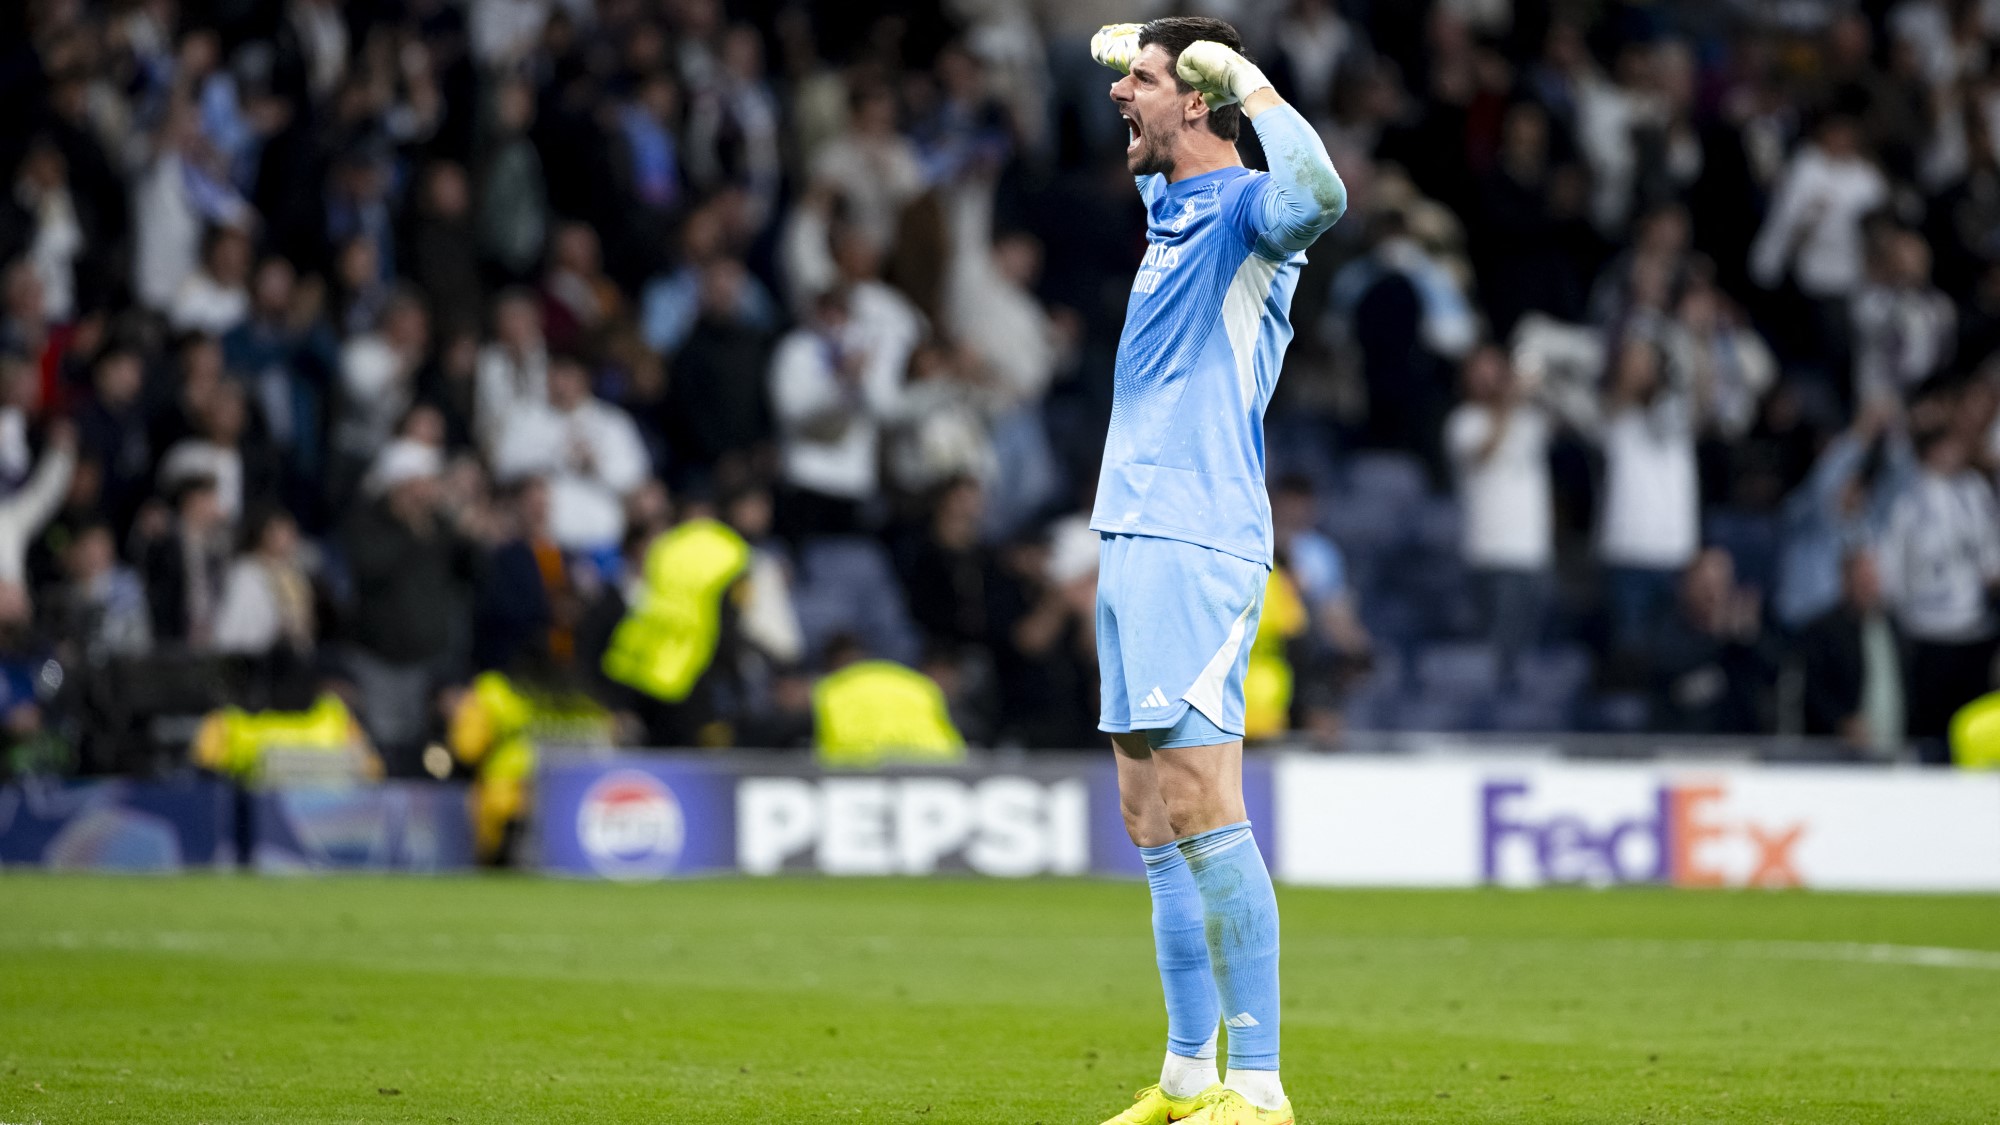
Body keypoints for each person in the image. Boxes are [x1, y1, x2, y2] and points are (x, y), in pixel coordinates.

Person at [1087, 18, 1345, 1125]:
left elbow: (1322, 192)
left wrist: (1238, 73)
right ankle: (1188, 1076)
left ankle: (1260, 1085)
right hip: (1130, 528)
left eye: (1140, 84)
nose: (1119, 97)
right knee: (1149, 819)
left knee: (1203, 803)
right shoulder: (1168, 203)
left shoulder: (1249, 212)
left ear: (1198, 100)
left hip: (1197, 533)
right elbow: (1154, 130)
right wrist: (1135, 51)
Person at [1801, 550, 1905, 755]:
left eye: (1873, 580)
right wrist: (1841, 723)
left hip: (1897, 748)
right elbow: (1813, 692)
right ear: (1846, 582)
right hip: (1840, 753)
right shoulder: (1823, 631)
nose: (1870, 588)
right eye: (1863, 581)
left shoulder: (1895, 627)